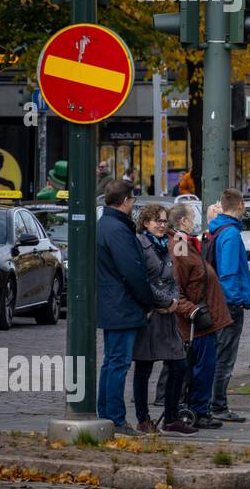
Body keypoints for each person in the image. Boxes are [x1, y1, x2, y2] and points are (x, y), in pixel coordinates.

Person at [130, 204, 196, 435]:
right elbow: (142, 281)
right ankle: (143, 419)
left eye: (164, 220)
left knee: (179, 365)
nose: (161, 224)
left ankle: (171, 418)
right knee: (144, 367)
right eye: (156, 220)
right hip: (150, 315)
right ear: (145, 223)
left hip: (168, 317)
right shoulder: (139, 244)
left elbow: (173, 280)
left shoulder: (169, 245)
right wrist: (164, 303)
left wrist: (175, 302)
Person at [95, 180, 154, 434]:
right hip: (122, 305)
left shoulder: (106, 225)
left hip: (113, 303)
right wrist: (148, 300)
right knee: (118, 363)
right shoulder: (117, 229)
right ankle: (115, 418)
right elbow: (132, 270)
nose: (134, 204)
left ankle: (107, 413)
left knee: (112, 362)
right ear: (125, 201)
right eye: (133, 200)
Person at [168, 203, 232, 430]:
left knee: (206, 364)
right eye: (192, 216)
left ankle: (199, 407)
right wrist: (189, 309)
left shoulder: (187, 243)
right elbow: (177, 284)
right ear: (183, 221)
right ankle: (197, 408)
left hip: (204, 316)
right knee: (202, 366)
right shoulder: (181, 246)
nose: (195, 220)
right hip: (197, 319)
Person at [208, 189, 250, 423]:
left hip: (220, 302)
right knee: (224, 357)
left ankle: (211, 403)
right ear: (240, 205)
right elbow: (229, 272)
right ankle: (218, 405)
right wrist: (235, 300)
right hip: (228, 304)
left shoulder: (218, 229)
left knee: (217, 354)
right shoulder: (232, 234)